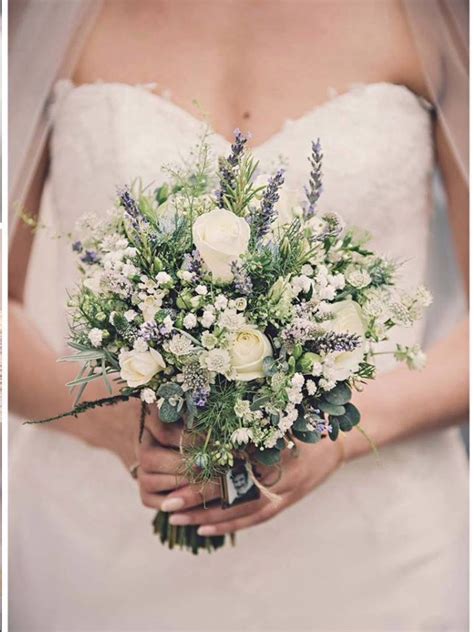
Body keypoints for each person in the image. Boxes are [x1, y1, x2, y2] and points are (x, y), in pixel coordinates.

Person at [9, 1, 468, 630]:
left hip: (375, 557)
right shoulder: (49, 16)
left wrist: (338, 438)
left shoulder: (434, 18)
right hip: (96, 555)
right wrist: (118, 425)